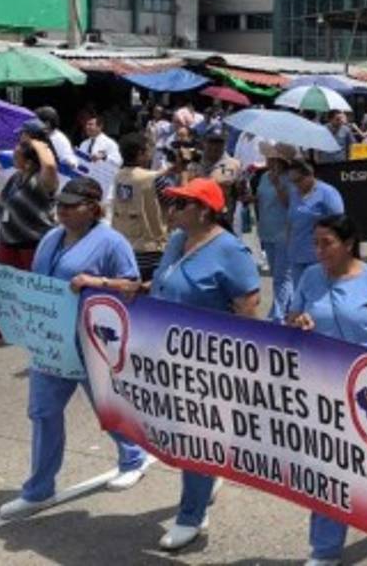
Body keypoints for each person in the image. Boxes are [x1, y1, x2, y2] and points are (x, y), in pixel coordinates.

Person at [0, 177, 149, 519]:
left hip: (91, 341)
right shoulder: (51, 237)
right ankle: (39, 490)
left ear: (93, 208)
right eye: (60, 204)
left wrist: (97, 283)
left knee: (107, 407)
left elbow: (133, 286)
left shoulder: (112, 242)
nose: (61, 210)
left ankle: (133, 457)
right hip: (50, 342)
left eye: (70, 205)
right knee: (43, 413)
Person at [144, 177, 261, 550]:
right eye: (173, 202)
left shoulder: (231, 251)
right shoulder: (178, 240)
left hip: (208, 362)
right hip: (166, 355)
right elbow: (165, 285)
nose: (172, 209)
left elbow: (247, 309)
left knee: (195, 436)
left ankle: (191, 516)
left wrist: (243, 367)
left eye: (181, 204)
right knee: (179, 433)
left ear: (205, 211)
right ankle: (210, 475)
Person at [287, 214, 367, 565]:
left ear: (348, 243)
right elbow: (291, 319)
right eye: (316, 242)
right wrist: (298, 321)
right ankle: (325, 550)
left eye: (327, 243)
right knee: (327, 467)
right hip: (319, 390)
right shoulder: (309, 277)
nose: (319, 250)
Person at [0, 130, 57, 348]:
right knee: (2, 289)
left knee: (36, 292)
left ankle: (45, 332)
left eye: (17, 152)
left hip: (34, 243)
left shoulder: (42, 180)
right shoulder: (15, 178)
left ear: (30, 161)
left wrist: (37, 143)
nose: (13, 154)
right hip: (9, 241)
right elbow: (8, 207)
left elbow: (49, 166)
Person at [110, 133, 169, 283]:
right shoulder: (153, 178)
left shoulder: (119, 176)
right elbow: (173, 200)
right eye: (149, 150)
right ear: (140, 153)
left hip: (122, 245)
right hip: (149, 249)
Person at [285, 157, 345, 293]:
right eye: (292, 181)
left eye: (298, 180)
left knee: (320, 295)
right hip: (297, 255)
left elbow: (339, 222)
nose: (295, 184)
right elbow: (290, 221)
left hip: (320, 256)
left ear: (310, 175)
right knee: (300, 294)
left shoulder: (328, 193)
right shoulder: (294, 193)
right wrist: (289, 245)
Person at [257, 143, 295, 322]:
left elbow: (290, 204)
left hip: (284, 233)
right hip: (266, 231)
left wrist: (279, 186)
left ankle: (277, 315)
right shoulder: (264, 176)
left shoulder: (291, 178)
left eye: (272, 157)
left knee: (283, 276)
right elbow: (261, 200)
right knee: (276, 275)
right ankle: (291, 307)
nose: (268, 160)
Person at [189, 124, 242, 222]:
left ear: (225, 143)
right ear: (204, 142)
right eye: (211, 141)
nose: (215, 146)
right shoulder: (194, 162)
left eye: (219, 142)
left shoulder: (234, 164)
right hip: (196, 215)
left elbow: (241, 192)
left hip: (221, 217)